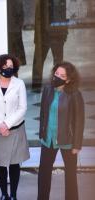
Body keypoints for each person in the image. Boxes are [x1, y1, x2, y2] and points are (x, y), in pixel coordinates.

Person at [0, 54, 30, 200]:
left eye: (11, 67)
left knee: (15, 163)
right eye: (5, 67)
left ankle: (14, 195)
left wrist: (7, 124)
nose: (8, 69)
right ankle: (4, 194)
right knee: (1, 163)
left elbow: (22, 108)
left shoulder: (19, 83)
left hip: (15, 130)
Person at [37, 62, 84, 200]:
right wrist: (42, 133)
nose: (57, 77)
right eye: (56, 74)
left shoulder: (75, 94)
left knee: (70, 175)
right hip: (48, 139)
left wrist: (77, 145)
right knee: (44, 173)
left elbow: (79, 121)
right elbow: (43, 114)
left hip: (67, 141)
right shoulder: (47, 89)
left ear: (68, 79)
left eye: (62, 76)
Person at [32, 0, 68, 89]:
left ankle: (58, 85)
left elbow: (65, 14)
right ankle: (36, 87)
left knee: (58, 63)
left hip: (57, 34)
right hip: (43, 35)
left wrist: (64, 32)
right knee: (38, 63)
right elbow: (38, 17)